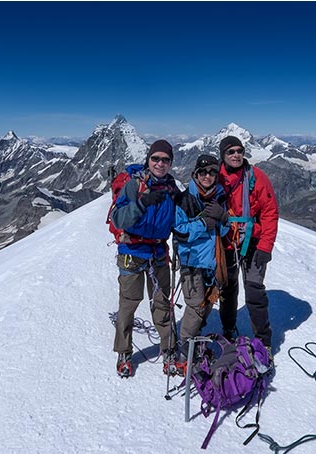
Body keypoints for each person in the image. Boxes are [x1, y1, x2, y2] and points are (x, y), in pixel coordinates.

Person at [109, 139, 181, 377]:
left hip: (158, 252)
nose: (160, 163)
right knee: (128, 304)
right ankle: (124, 352)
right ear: (148, 160)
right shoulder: (134, 185)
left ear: (170, 163)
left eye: (165, 159)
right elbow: (118, 219)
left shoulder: (171, 189)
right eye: (155, 158)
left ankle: (169, 349)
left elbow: (175, 220)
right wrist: (141, 204)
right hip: (132, 252)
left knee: (162, 304)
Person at [216, 136, 279, 356]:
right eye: (230, 151)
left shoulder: (256, 177)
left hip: (254, 241)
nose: (236, 155)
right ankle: (228, 328)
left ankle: (263, 341)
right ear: (223, 155)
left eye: (239, 150)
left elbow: (269, 211)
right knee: (228, 289)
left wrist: (266, 246)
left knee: (254, 291)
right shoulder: (215, 177)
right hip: (227, 242)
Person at [172, 154, 229, 371]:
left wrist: (223, 218)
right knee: (196, 307)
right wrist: (204, 223)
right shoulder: (185, 199)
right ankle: (184, 351)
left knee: (206, 304)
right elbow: (180, 231)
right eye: (203, 172)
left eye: (212, 172)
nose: (207, 176)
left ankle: (194, 343)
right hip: (192, 261)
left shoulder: (219, 198)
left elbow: (224, 231)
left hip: (212, 262)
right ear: (195, 174)